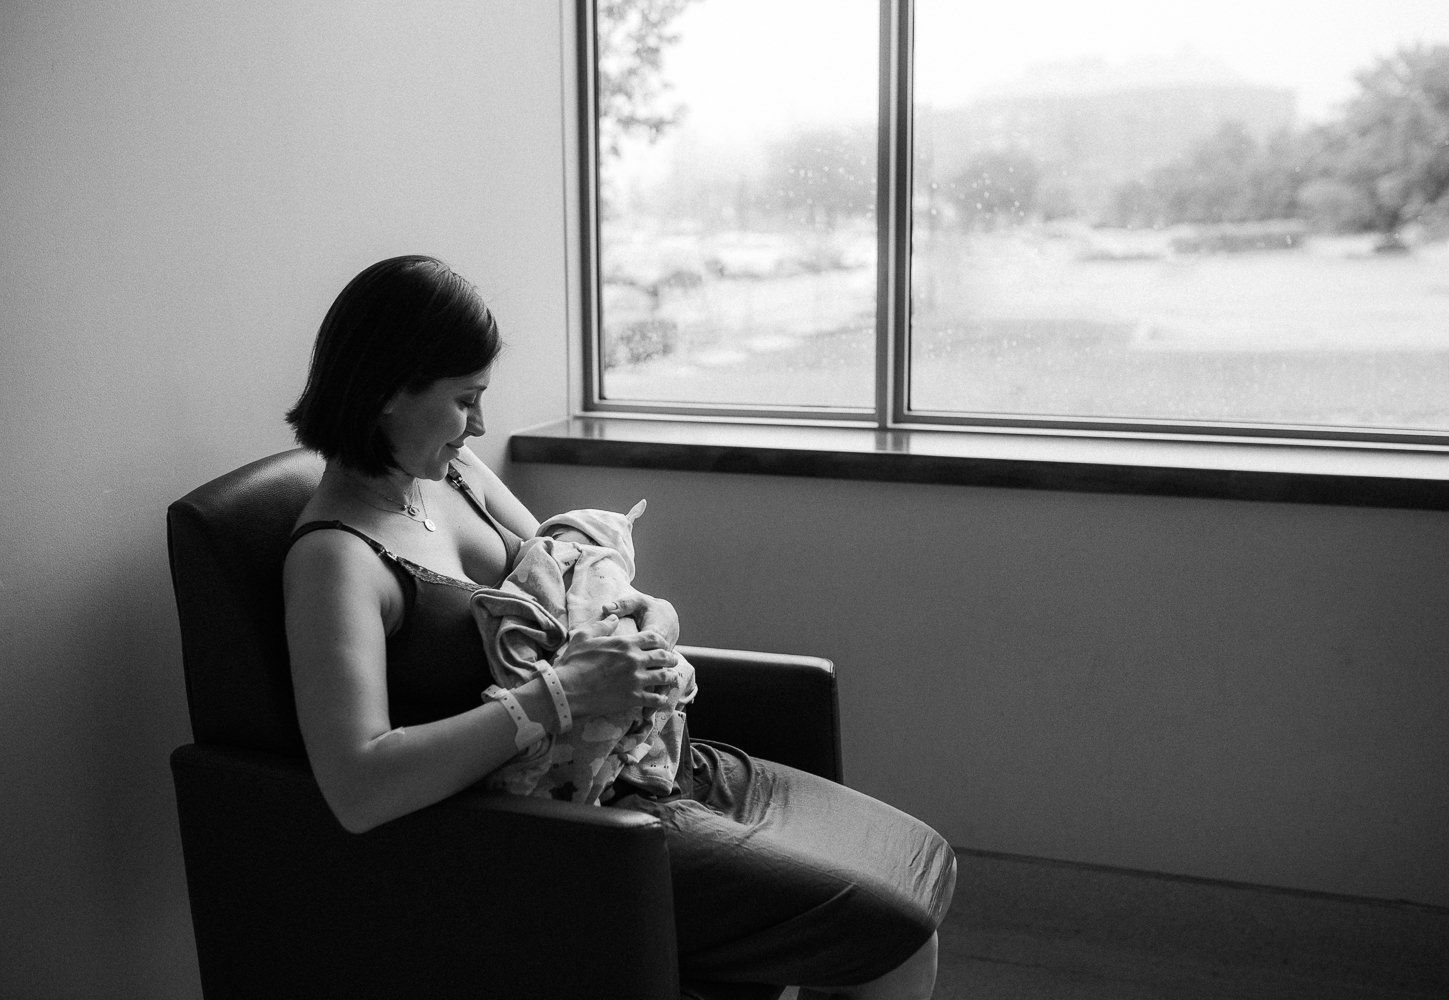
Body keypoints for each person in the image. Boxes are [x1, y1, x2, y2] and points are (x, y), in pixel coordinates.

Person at [281, 254, 955, 999]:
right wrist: (557, 695)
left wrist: (643, 618)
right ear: (382, 393)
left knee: (920, 862)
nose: (480, 424)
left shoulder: (454, 475)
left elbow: (572, 578)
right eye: (465, 399)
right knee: (892, 940)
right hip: (555, 835)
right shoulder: (337, 561)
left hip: (643, 772)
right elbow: (358, 786)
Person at [471, 498, 698, 804]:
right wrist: (557, 690)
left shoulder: (463, 473)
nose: (550, 543)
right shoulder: (551, 552)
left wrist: (662, 616)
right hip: (607, 783)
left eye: (560, 536)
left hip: (669, 754)